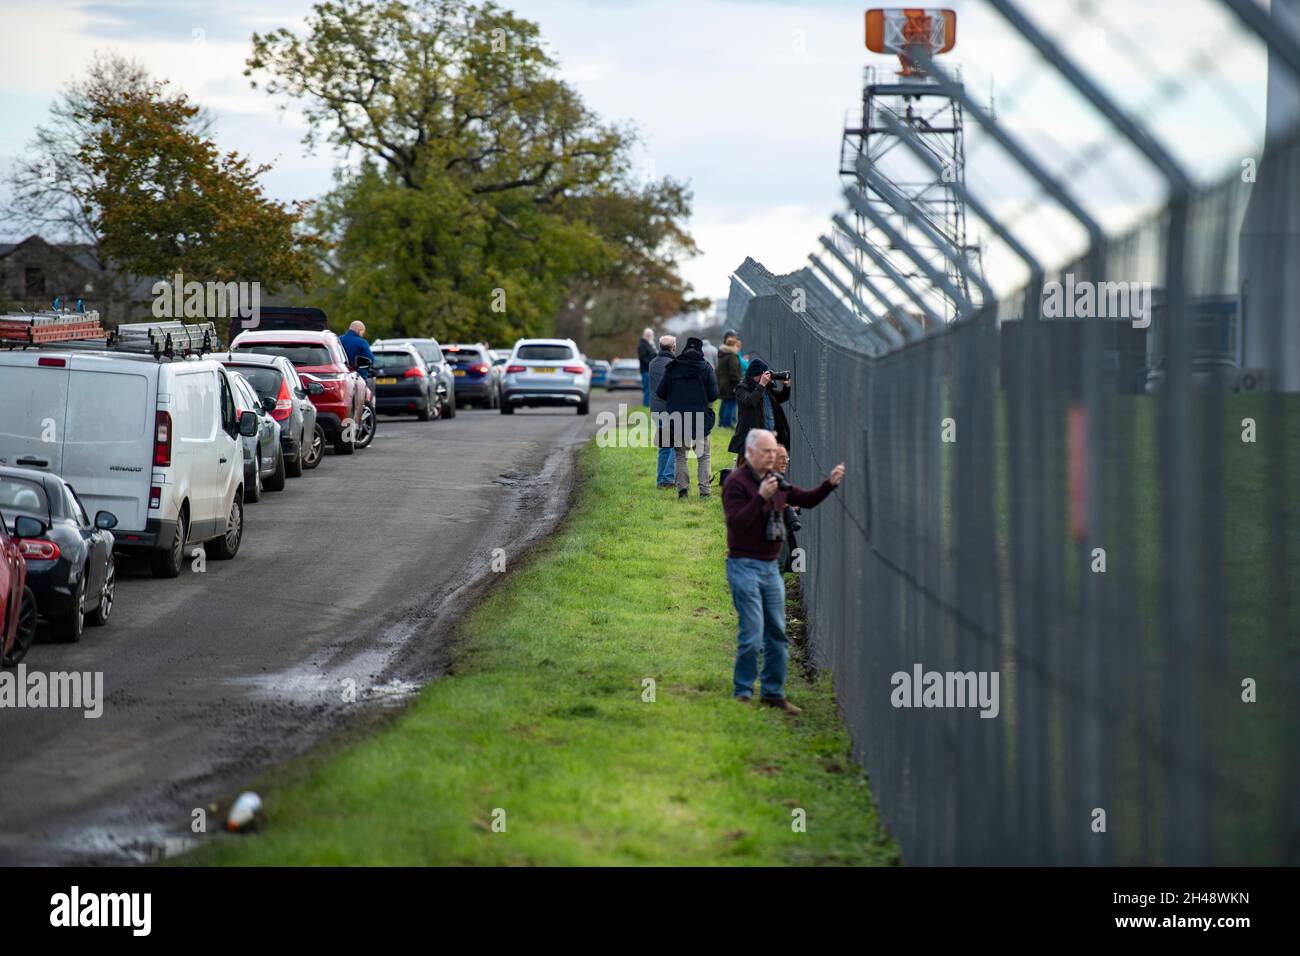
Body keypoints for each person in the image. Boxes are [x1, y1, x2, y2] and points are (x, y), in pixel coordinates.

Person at [723, 429, 844, 711]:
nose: (774, 455)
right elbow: (736, 524)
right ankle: (743, 692)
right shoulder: (736, 483)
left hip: (770, 567)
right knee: (752, 632)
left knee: (777, 633)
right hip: (744, 565)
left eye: (774, 451)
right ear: (751, 453)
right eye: (767, 451)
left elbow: (806, 499)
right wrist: (761, 498)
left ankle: (773, 692)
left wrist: (830, 484)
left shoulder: (775, 481)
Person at [656, 336, 719, 498]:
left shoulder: (672, 367)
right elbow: (714, 395)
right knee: (703, 456)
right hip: (700, 419)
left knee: (680, 456)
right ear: (701, 351)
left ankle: (682, 490)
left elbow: (660, 392)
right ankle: (705, 491)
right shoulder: (706, 368)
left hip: (677, 419)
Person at [728, 358, 790, 468]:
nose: (766, 376)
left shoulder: (766, 388)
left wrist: (786, 387)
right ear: (755, 375)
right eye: (763, 374)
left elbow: (781, 398)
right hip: (752, 436)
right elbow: (750, 401)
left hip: (771, 433)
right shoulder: (742, 388)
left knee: (767, 468)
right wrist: (761, 385)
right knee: (748, 469)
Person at [648, 335, 677, 488]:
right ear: (673, 347)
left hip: (655, 409)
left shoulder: (652, 363)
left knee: (664, 445)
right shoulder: (673, 364)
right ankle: (667, 478)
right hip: (669, 410)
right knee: (676, 444)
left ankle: (661, 479)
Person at [716, 331, 742, 429]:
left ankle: (722, 422)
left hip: (723, 383)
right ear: (734, 345)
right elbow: (734, 371)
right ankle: (726, 423)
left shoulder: (723, 354)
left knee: (725, 402)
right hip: (730, 384)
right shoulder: (732, 356)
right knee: (730, 403)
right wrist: (738, 382)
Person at [637, 328, 656, 407]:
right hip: (646, 370)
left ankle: (648, 405)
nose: (652, 337)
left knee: (649, 389)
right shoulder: (642, 345)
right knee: (647, 389)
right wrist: (651, 365)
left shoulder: (649, 344)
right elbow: (643, 358)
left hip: (649, 370)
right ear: (647, 335)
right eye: (651, 335)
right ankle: (646, 405)